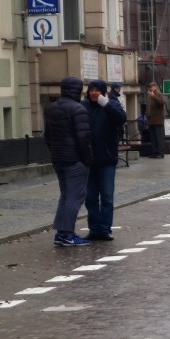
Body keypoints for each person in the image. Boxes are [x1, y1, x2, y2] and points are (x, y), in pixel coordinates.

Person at [43, 76, 92, 246]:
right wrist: (87, 159)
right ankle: (67, 233)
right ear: (78, 90)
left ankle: (61, 233)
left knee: (65, 196)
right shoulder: (78, 109)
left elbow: (47, 136)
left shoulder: (51, 108)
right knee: (74, 197)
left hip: (58, 158)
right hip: (75, 160)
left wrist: (54, 152)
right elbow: (83, 138)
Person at [82, 79, 127, 241]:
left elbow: (121, 119)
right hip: (89, 159)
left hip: (107, 159)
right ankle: (94, 229)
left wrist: (106, 104)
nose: (94, 93)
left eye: (97, 90)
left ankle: (105, 229)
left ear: (103, 91)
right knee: (91, 198)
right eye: (91, 90)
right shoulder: (84, 106)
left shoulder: (111, 104)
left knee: (107, 197)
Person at [146, 81, 166, 158]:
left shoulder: (159, 94)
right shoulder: (149, 95)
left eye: (151, 87)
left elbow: (161, 103)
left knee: (159, 138)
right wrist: (146, 114)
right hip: (151, 120)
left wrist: (153, 97)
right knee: (153, 138)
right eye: (149, 87)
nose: (150, 88)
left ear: (155, 87)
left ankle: (160, 153)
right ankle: (154, 152)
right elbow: (148, 107)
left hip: (158, 121)